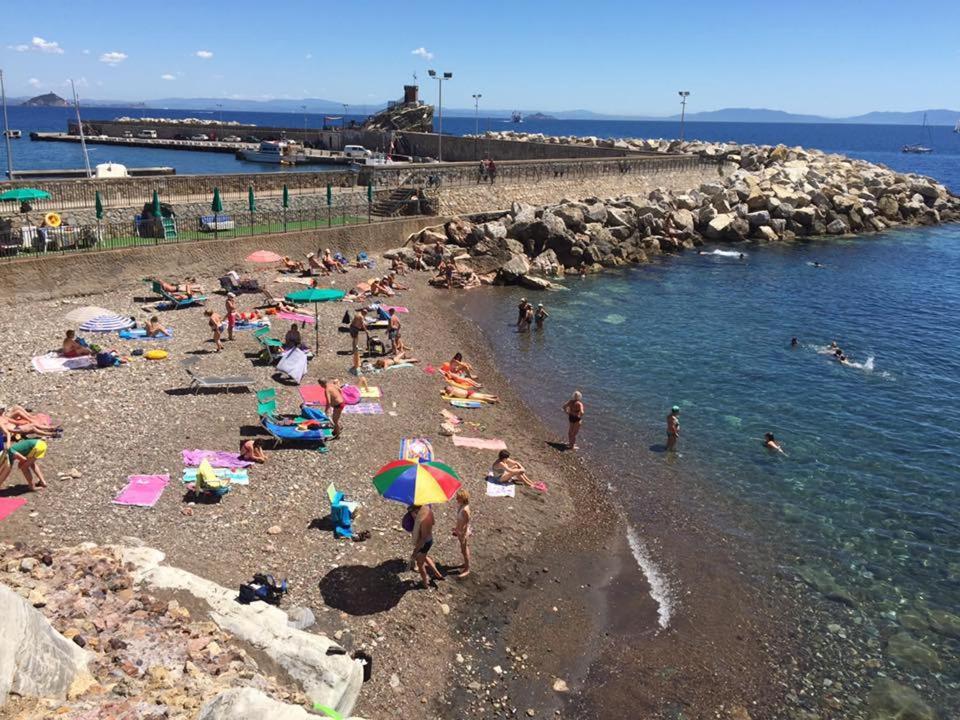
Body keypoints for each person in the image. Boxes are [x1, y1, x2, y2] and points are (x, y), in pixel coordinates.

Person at [410, 504, 443, 589]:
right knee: (424, 556)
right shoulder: (428, 510)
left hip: (425, 543)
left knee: (420, 564)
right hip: (430, 539)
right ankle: (437, 574)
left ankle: (425, 583)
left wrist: (415, 551)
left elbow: (423, 538)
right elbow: (433, 522)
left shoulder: (423, 519)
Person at [452, 489, 472, 577]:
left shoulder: (465, 510)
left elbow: (467, 522)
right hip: (460, 531)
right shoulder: (461, 506)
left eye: (458, 498)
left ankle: (467, 568)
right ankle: (465, 564)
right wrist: (456, 529)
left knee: (464, 550)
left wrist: (463, 533)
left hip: (463, 533)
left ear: (463, 498)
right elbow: (461, 521)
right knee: (463, 549)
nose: (456, 499)